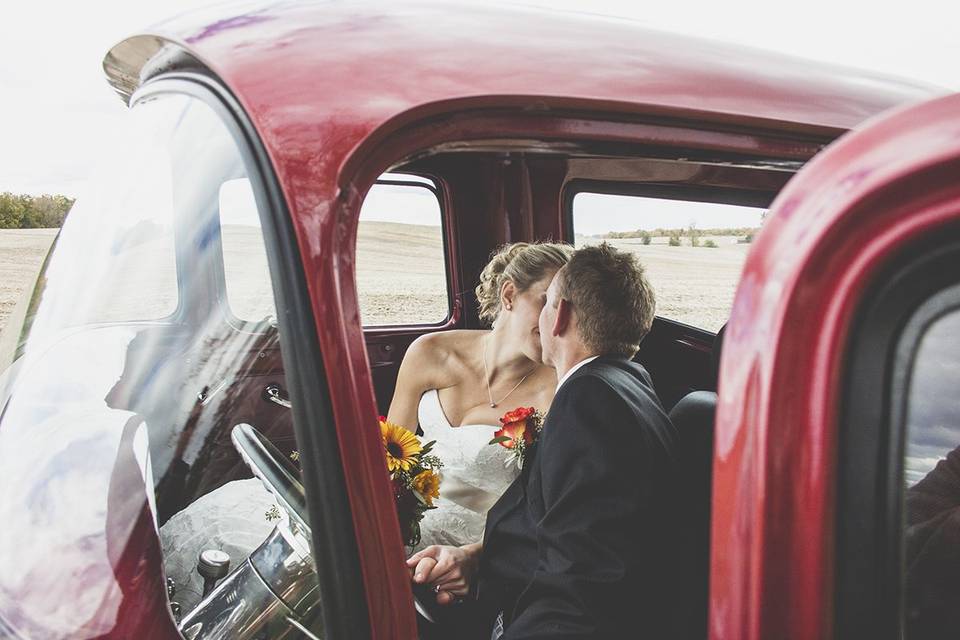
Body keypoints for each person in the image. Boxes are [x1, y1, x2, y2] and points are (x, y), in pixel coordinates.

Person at [408, 243, 682, 638]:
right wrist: (474, 560)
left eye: (548, 302)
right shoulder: (624, 383)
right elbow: (555, 524)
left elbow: (581, 584)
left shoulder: (587, 401)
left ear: (561, 315)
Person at [389, 242, 573, 562]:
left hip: (479, 549)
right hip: (401, 524)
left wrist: (476, 558)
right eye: (547, 303)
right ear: (509, 295)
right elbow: (389, 454)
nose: (557, 323)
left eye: (570, 310)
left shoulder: (558, 392)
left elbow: (547, 508)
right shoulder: (430, 352)